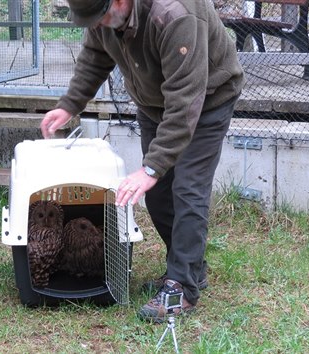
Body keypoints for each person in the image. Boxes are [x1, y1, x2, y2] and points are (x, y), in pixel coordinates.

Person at [40, 0, 244, 322]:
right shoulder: (103, 16)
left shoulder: (174, 14)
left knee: (188, 190)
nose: (99, 25)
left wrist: (151, 167)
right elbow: (95, 56)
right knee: (159, 195)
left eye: (101, 17)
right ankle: (191, 268)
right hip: (155, 104)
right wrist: (70, 104)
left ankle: (181, 288)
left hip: (206, 102)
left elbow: (185, 102)